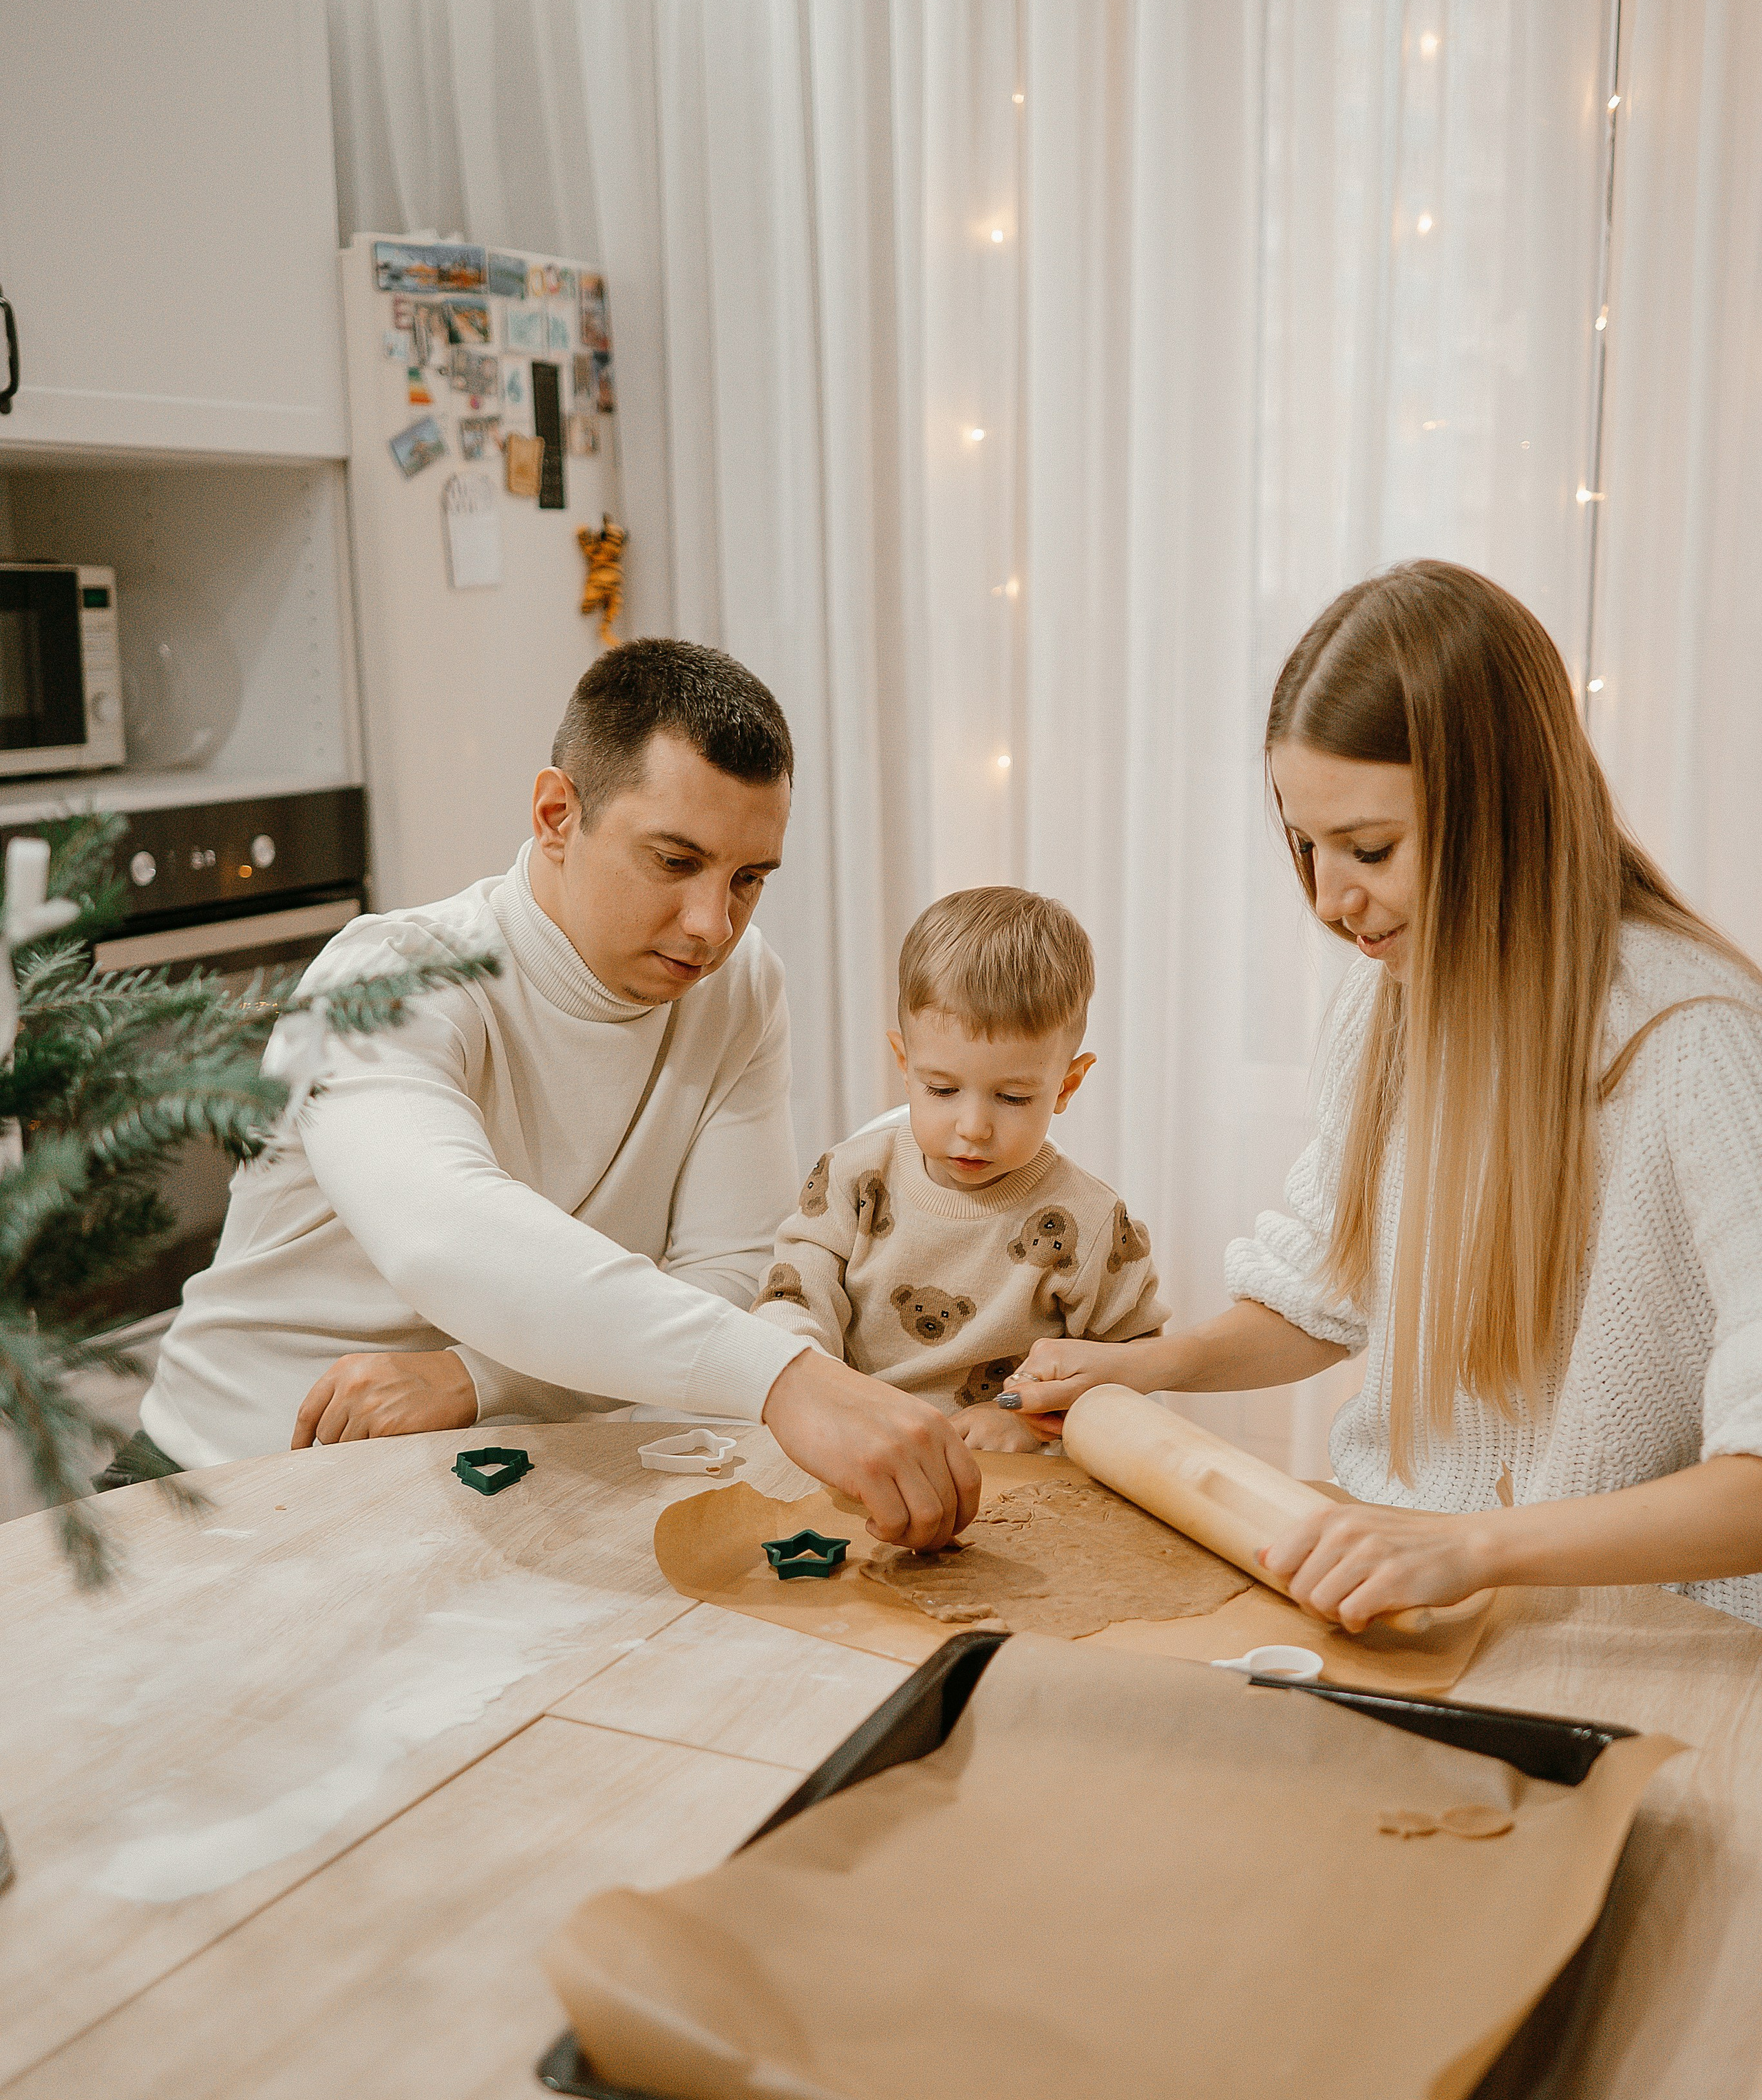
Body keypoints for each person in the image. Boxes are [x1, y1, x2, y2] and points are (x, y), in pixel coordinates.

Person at [1002, 560, 1762, 1627]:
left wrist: (1472, 1547)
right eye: (1305, 846)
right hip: (1420, 1594)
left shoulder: (1696, 1042)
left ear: (1508, 807)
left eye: (1369, 848)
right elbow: (1329, 1286)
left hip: (1641, 1634)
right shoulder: (1388, 999)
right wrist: (1149, 1362)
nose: (1326, 898)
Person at [122, 640, 979, 1548]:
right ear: (557, 814)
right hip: (216, 1480)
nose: (711, 924)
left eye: (748, 878)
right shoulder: (390, 978)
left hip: (470, 1497)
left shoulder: (740, 984)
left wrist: (475, 1378)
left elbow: (725, 1275)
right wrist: (789, 1378)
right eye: (675, 860)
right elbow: (448, 1233)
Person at [754, 887, 1167, 1450]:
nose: (973, 1126)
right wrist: (817, 1392)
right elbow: (790, 1301)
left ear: (1067, 1084)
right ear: (905, 1064)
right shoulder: (852, 1184)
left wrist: (1033, 1424)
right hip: (856, 1455)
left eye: (1014, 1098)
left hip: (1018, 1484)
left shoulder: (1092, 1225)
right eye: (942, 1089)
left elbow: (1139, 1369)